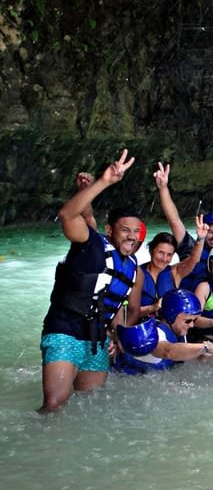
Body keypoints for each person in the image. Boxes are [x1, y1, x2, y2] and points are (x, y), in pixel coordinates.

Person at [39, 149, 141, 412]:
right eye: (125, 230)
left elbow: (118, 307)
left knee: (89, 407)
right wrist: (104, 182)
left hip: (97, 338)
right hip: (65, 329)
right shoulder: (91, 243)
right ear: (110, 230)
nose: (132, 236)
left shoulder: (133, 268)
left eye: (136, 232)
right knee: (55, 403)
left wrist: (115, 338)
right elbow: (68, 216)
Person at [153, 161, 213, 291]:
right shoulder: (189, 247)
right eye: (210, 232)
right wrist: (163, 188)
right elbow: (174, 220)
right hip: (186, 298)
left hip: (210, 301)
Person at [113, 289, 213, 374]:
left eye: (194, 320)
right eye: (188, 321)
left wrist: (206, 358)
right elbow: (168, 351)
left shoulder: (178, 334)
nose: (192, 325)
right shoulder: (153, 334)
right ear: (171, 316)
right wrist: (206, 347)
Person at [126, 215, 207, 324]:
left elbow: (194, 259)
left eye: (169, 255)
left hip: (167, 328)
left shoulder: (176, 272)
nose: (164, 259)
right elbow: (127, 313)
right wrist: (152, 308)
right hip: (141, 328)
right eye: (161, 253)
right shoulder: (135, 273)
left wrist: (201, 239)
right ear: (151, 250)